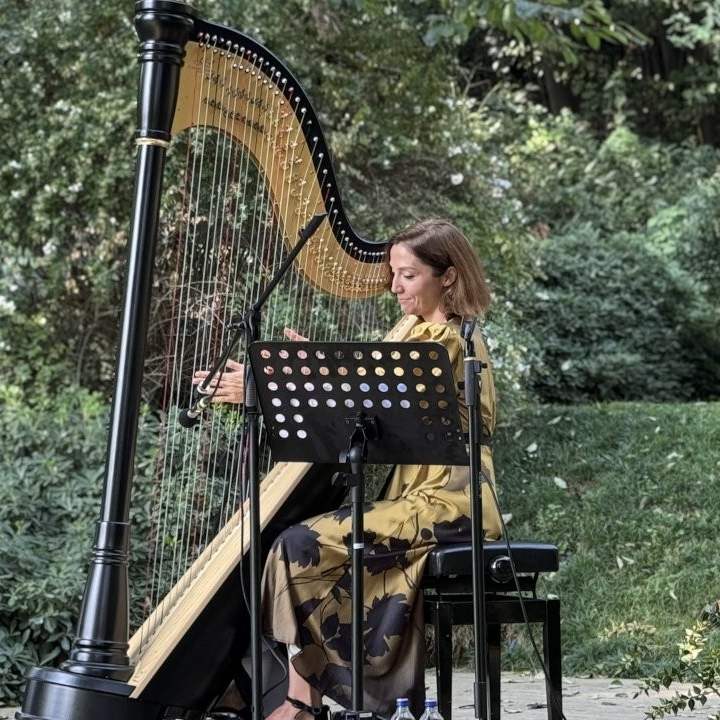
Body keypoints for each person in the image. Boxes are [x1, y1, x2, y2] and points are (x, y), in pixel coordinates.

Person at [193, 218, 504, 720]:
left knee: (299, 544)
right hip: (414, 501)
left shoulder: (445, 342)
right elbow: (361, 406)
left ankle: (300, 702)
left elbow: (370, 400)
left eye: (407, 275)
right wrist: (296, 375)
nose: (394, 286)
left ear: (447, 277)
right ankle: (292, 694)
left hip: (452, 505)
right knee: (297, 545)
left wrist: (276, 382)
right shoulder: (417, 333)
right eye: (392, 274)